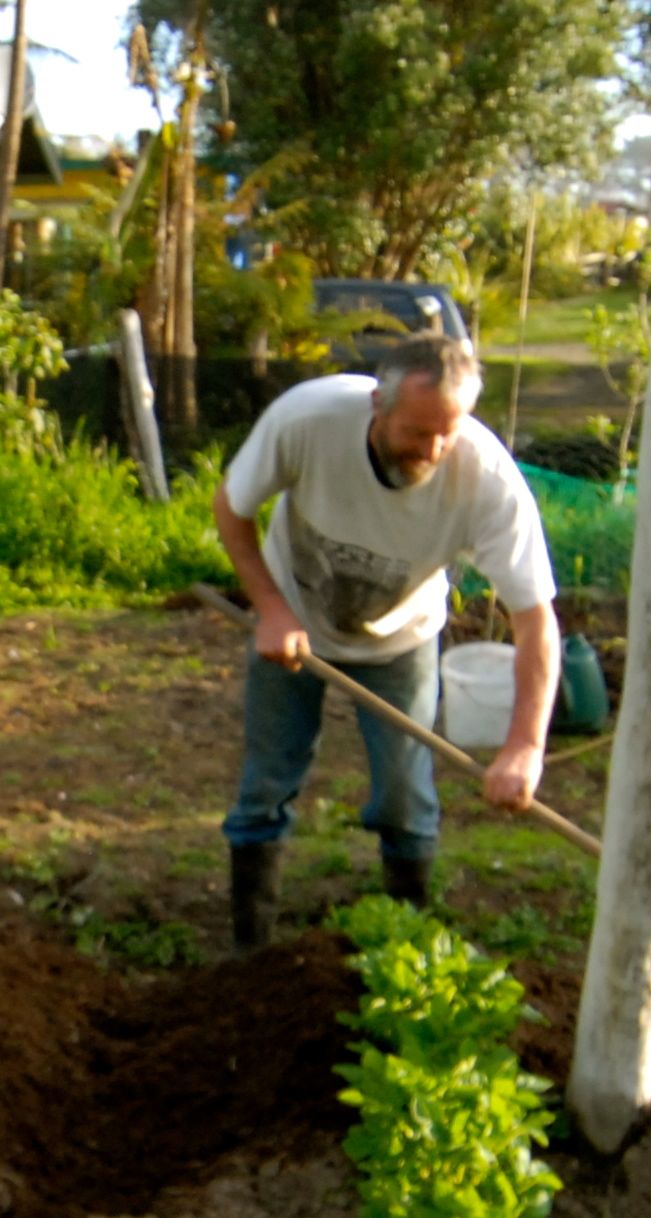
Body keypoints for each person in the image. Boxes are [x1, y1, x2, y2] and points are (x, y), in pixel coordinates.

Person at [212, 327, 559, 949]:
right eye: (417, 432)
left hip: (402, 639)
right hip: (294, 623)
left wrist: (524, 746)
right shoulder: (309, 420)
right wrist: (270, 608)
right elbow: (231, 507)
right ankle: (249, 952)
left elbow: (535, 620)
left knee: (404, 798)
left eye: (447, 431)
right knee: (266, 782)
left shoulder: (487, 480)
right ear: (379, 404)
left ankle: (407, 950)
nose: (433, 449)